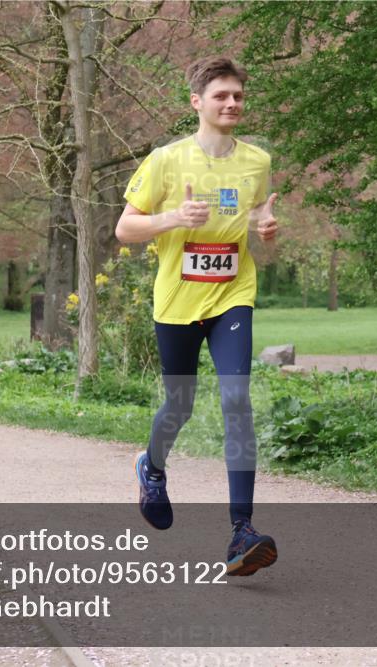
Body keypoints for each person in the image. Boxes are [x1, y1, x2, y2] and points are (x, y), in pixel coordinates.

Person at [115, 56, 279, 577]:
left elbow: (253, 221)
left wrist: (266, 230)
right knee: (179, 403)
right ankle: (152, 467)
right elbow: (125, 228)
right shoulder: (166, 160)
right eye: (221, 96)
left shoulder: (256, 161)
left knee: (236, 398)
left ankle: (242, 531)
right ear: (197, 103)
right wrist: (173, 218)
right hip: (178, 302)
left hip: (233, 294)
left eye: (238, 97)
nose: (232, 104)